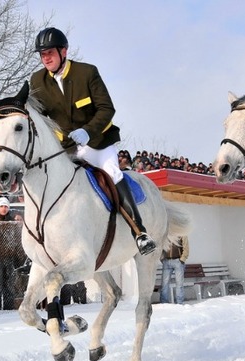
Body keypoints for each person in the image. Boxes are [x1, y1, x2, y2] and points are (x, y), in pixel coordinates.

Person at [30, 27, 156, 255]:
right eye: (42, 54)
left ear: (63, 51)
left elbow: (107, 109)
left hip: (98, 141)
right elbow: (40, 118)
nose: (45, 58)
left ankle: (140, 232)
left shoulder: (86, 73)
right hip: (66, 148)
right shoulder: (37, 80)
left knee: (113, 173)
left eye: (49, 52)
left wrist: (87, 131)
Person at [160, 236, 189, 304]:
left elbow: (186, 247)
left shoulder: (182, 232)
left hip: (178, 261)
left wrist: (182, 259)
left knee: (179, 284)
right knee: (164, 284)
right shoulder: (166, 233)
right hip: (166, 261)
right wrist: (162, 259)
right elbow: (161, 246)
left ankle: (179, 303)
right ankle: (164, 303)